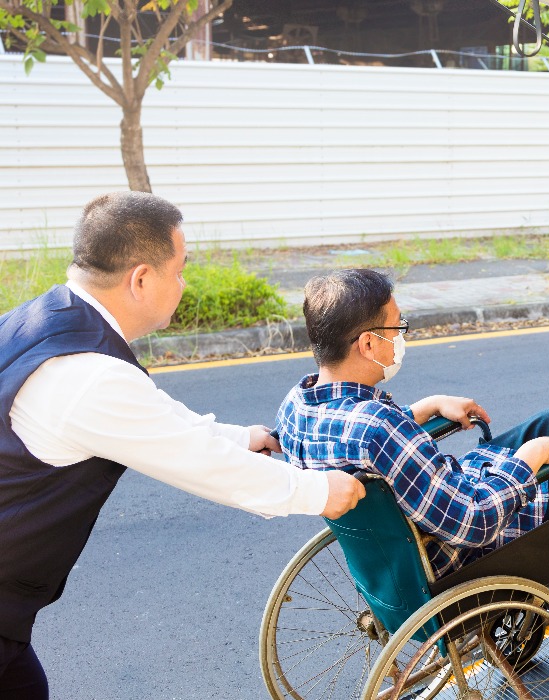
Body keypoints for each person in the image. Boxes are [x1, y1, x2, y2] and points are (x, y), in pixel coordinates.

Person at [0, 192, 365, 700]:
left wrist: (245, 438)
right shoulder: (89, 375)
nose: (184, 283)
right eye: (180, 269)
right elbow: (203, 465)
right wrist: (319, 492)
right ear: (142, 278)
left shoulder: (45, 318)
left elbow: (156, 418)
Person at [275, 268, 549, 634]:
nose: (401, 338)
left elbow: (362, 443)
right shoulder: (379, 428)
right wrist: (531, 458)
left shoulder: (299, 406)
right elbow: (473, 522)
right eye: (396, 328)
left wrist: (425, 408)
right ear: (367, 345)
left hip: (410, 544)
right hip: (463, 556)